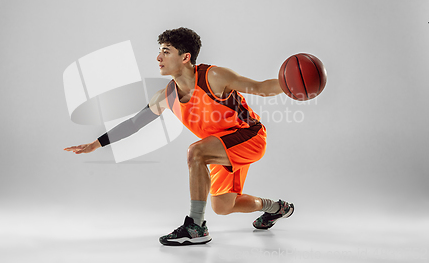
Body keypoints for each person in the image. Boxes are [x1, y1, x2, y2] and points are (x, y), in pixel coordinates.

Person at [64, 27, 294, 246]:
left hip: (249, 136)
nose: (158, 57)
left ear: (185, 57)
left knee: (196, 152)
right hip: (220, 146)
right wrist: (97, 143)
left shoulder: (213, 77)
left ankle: (196, 227)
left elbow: (261, 87)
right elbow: (134, 124)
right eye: (160, 51)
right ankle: (277, 208)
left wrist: (292, 85)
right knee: (224, 206)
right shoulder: (166, 96)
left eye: (166, 51)